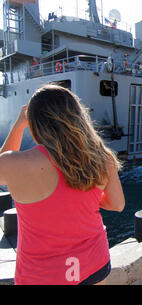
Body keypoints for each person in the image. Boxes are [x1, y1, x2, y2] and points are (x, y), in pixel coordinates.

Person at [0, 85, 125, 285]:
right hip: (94, 264)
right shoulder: (103, 158)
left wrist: (19, 124)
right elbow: (117, 205)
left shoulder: (13, 164)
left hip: (43, 276)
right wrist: (82, 196)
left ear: (35, 122)